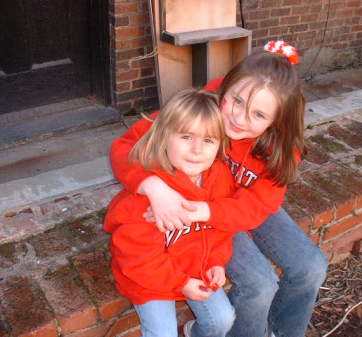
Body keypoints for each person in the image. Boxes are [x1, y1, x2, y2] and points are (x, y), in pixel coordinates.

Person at [110, 41, 328, 337]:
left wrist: (208, 212)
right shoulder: (205, 105)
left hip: (239, 209)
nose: (239, 118)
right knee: (259, 283)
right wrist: (153, 186)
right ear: (226, 87)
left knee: (311, 266)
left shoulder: (281, 148)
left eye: (258, 115)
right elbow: (126, 146)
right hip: (199, 207)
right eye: (236, 101)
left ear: (278, 120)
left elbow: (258, 208)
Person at [104, 88, 236, 337]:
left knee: (223, 319)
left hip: (194, 267)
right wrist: (182, 284)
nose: (197, 149)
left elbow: (220, 228)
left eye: (208, 140)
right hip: (149, 278)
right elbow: (136, 257)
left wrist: (216, 261)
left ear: (220, 145)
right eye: (186, 137)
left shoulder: (219, 178)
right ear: (164, 137)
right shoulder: (147, 194)